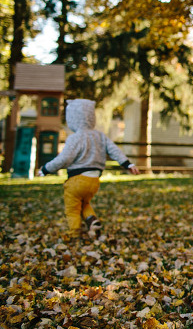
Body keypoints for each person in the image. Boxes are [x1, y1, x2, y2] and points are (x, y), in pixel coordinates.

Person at [37, 99, 140, 240]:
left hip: (77, 180)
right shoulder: (100, 136)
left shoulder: (75, 138)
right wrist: (127, 164)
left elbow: (64, 159)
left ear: (71, 118)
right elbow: (114, 150)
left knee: (72, 208)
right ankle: (92, 220)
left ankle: (74, 234)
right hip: (94, 181)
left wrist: (46, 169)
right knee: (84, 203)